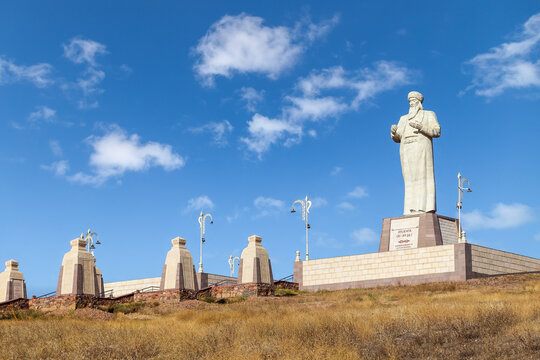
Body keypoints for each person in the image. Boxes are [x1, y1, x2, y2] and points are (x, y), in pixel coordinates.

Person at [391, 91, 441, 215]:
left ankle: (424, 207)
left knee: (422, 177)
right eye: (410, 101)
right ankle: (409, 209)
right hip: (406, 149)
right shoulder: (403, 118)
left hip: (421, 147)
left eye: (414, 101)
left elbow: (437, 131)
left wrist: (421, 127)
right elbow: (398, 137)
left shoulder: (429, 114)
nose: (412, 103)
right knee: (409, 180)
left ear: (419, 102)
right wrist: (394, 133)